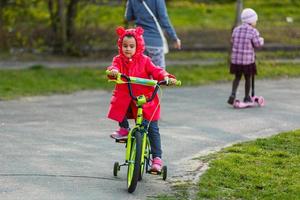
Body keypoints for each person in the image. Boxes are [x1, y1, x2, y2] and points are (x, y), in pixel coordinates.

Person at [106, 26, 178, 171]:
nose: (128, 49)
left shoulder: (145, 61)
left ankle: (156, 158)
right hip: (128, 96)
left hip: (146, 99)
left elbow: (156, 70)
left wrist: (165, 77)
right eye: (124, 46)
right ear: (120, 46)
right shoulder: (118, 60)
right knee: (119, 103)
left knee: (152, 128)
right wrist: (113, 72)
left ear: (138, 46)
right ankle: (124, 129)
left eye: (131, 46)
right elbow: (114, 67)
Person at [125, 0, 181, 69]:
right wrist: (174, 37)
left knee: (141, 74)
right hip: (155, 42)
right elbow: (164, 19)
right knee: (159, 74)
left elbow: (128, 17)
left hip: (138, 42)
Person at [227, 8, 264, 105]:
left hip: (236, 60)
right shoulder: (253, 31)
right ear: (251, 21)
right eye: (255, 21)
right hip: (247, 61)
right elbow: (257, 44)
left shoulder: (236, 30)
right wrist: (261, 40)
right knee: (248, 78)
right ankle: (247, 97)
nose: (256, 22)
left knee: (237, 77)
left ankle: (233, 94)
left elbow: (232, 41)